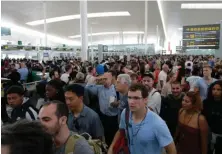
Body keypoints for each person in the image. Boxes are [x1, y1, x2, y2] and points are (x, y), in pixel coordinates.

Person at [108, 83, 176, 154]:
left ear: (145, 100)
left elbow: (171, 150)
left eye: (136, 98)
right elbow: (121, 131)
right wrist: (111, 148)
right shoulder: (125, 113)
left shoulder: (158, 123)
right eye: (129, 97)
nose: (131, 102)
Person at [86, 72, 119, 146]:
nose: (104, 80)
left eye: (106, 79)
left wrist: (117, 103)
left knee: (113, 135)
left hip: (113, 116)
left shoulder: (115, 88)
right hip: (103, 115)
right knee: (105, 134)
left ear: (111, 79)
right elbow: (87, 87)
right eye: (103, 78)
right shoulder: (99, 88)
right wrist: (95, 79)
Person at [202, 80, 222, 154]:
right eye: (213, 89)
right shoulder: (206, 102)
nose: (215, 91)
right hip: (208, 134)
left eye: (218, 89)